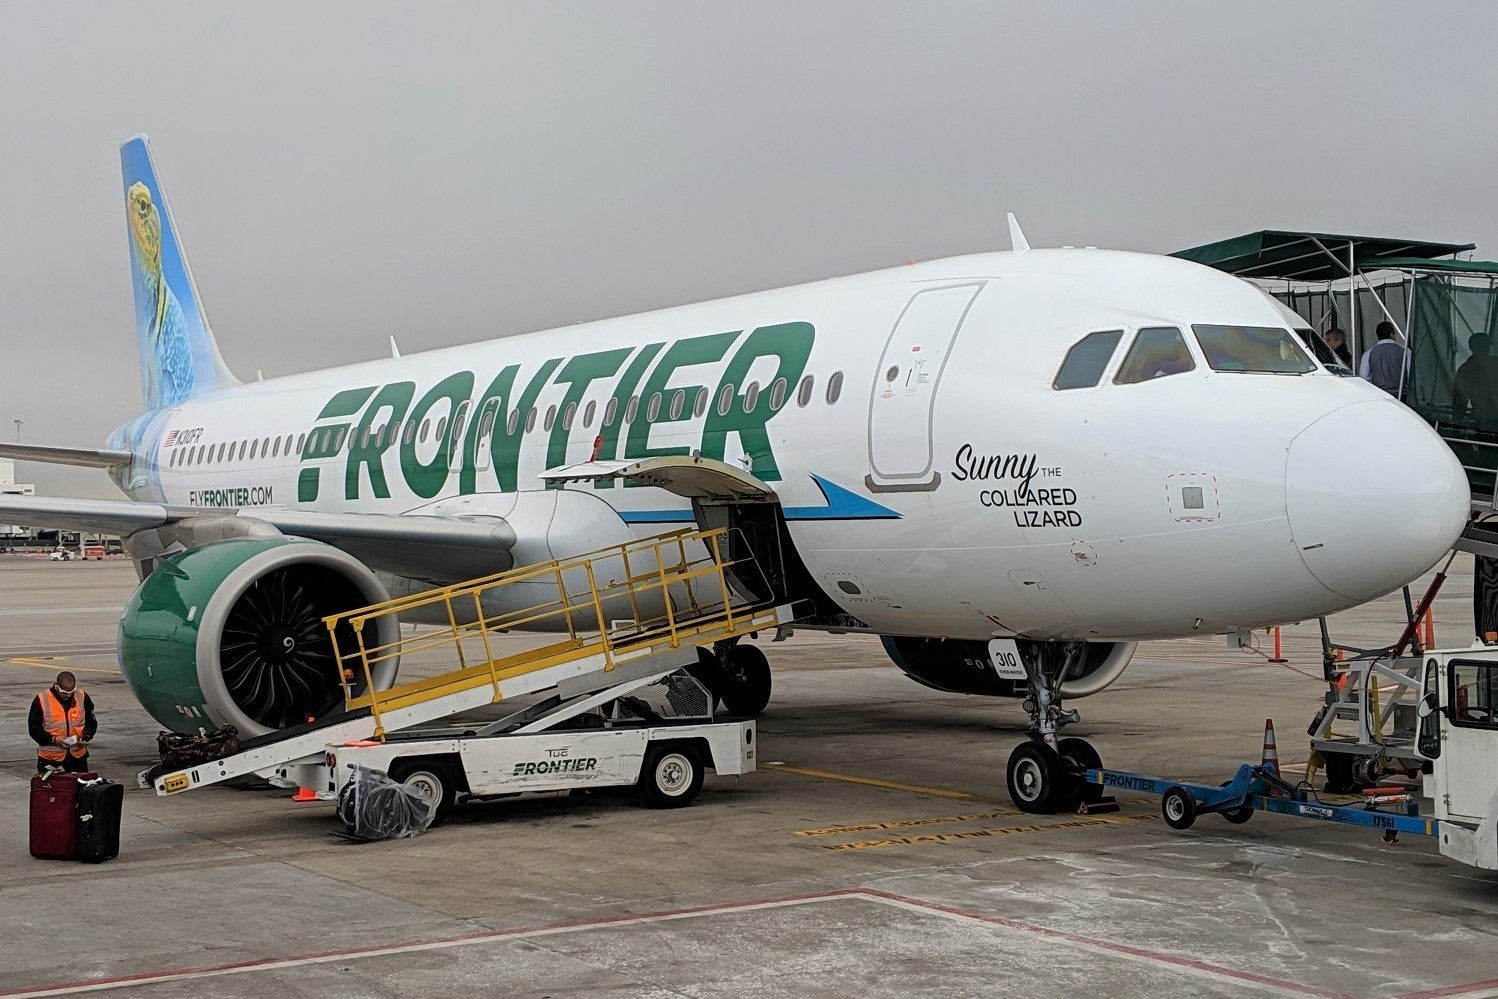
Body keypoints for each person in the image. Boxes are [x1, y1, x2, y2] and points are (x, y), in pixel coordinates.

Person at [30, 671, 97, 773]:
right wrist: (54, 740)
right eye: (65, 693)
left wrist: (86, 736)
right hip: (51, 759)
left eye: (71, 693)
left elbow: (91, 722)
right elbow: (34, 730)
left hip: (78, 758)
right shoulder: (41, 700)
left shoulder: (82, 697)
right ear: (56, 687)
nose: (68, 696)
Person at [1454, 333, 1498, 426]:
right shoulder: (1466, 370)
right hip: (1483, 423)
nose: (1486, 348)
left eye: (1486, 345)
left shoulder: (1465, 369)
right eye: (1483, 345)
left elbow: (1459, 403)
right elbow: (1460, 402)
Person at [1359, 321, 1411, 397]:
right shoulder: (1406, 351)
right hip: (1402, 396)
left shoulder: (1368, 354)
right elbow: (1411, 376)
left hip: (1380, 396)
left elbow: (1363, 377)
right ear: (1391, 334)